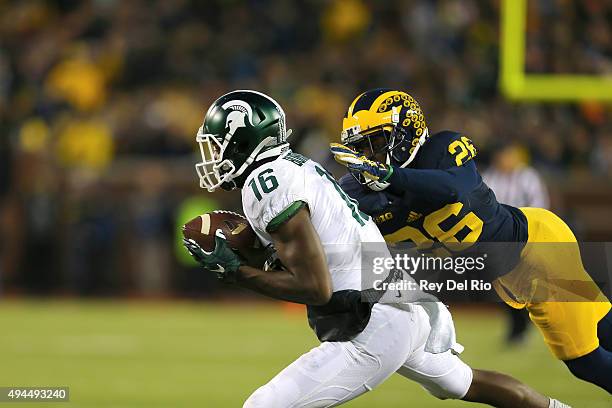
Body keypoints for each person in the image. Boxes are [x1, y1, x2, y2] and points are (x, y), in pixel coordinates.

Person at [184, 90, 569, 407]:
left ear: (244, 142)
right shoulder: (292, 167)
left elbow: (316, 287)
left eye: (220, 144)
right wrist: (258, 258)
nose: (214, 155)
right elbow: (316, 253)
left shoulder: (267, 183)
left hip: (374, 320)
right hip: (398, 301)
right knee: (463, 382)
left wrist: (237, 273)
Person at [330, 88, 612, 393]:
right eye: (361, 148)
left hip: (535, 248)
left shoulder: (442, 148)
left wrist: (391, 178)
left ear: (406, 131)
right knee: (597, 335)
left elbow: (454, 188)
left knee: (586, 355)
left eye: (377, 143)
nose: (368, 156)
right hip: (501, 274)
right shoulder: (357, 190)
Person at [482, 143, 550, 344]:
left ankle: (526, 326)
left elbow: (540, 204)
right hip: (499, 238)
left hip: (524, 235)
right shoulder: (490, 176)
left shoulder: (527, 177)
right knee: (504, 285)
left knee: (526, 284)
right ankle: (517, 328)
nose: (504, 160)